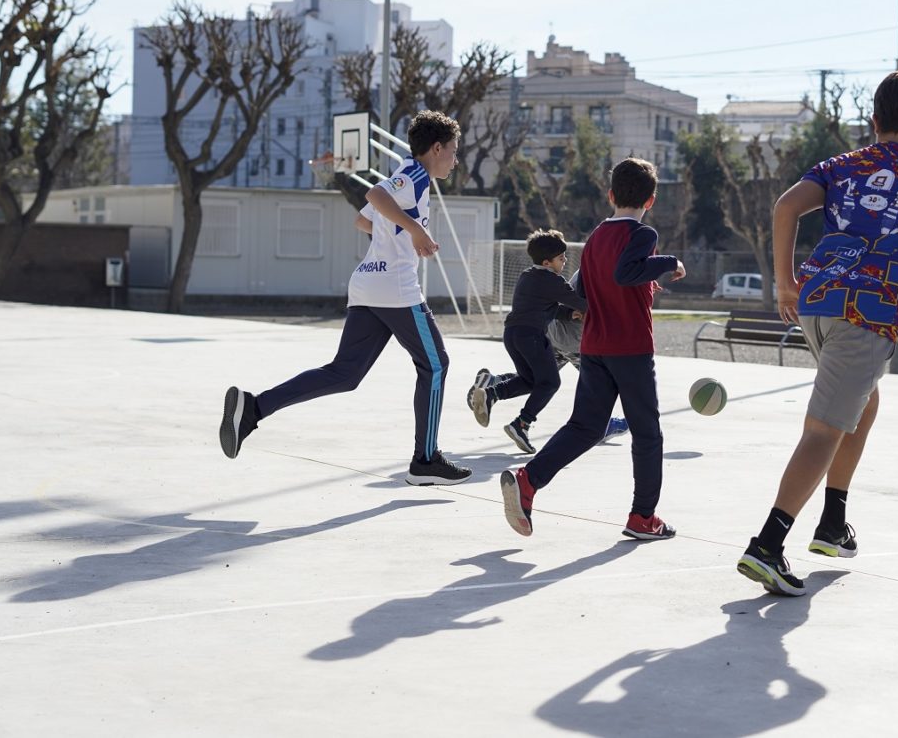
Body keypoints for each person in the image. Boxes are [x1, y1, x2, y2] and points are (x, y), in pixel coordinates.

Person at [737, 69, 898, 596]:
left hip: (816, 301)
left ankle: (833, 523)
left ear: (875, 120)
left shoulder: (841, 165)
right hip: (867, 314)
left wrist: (786, 284)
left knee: (864, 403)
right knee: (822, 429)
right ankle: (767, 545)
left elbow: (786, 206)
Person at [219, 110, 472, 486]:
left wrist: (395, 236)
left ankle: (254, 409)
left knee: (345, 373)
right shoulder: (414, 176)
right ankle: (426, 459)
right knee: (435, 365)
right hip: (396, 290)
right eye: (452, 151)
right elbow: (374, 195)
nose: (455, 160)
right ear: (435, 148)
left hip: (368, 284)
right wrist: (414, 230)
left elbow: (364, 220)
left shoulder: (403, 175)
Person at [499, 157, 686, 541]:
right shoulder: (643, 235)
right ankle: (643, 517)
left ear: (611, 194)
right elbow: (625, 273)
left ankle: (528, 480)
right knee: (648, 433)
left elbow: (589, 290)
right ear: (651, 200)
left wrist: (645, 282)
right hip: (630, 346)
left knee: (585, 427)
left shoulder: (597, 236)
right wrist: (668, 262)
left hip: (595, 346)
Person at [469, 267, 630, 448]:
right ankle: (601, 426)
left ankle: (493, 384)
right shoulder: (598, 273)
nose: (565, 260)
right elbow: (586, 307)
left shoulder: (594, 266)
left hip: (554, 335)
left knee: (537, 379)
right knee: (601, 383)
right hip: (575, 343)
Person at [467, 229, 588, 453]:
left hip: (512, 335)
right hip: (532, 336)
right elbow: (581, 302)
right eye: (561, 258)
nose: (565, 261)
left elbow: (545, 307)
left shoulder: (527, 275)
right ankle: (521, 424)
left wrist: (569, 315)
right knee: (551, 383)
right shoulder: (553, 281)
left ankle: (491, 393)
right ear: (547, 262)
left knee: (531, 380)